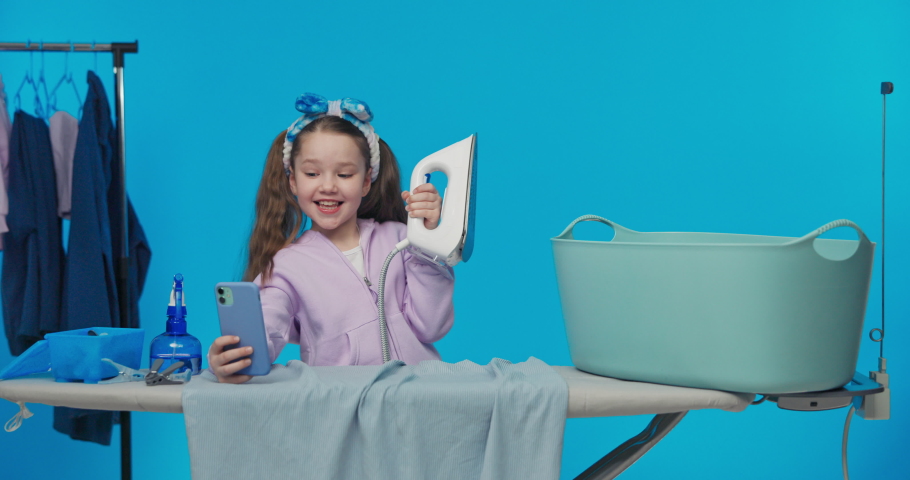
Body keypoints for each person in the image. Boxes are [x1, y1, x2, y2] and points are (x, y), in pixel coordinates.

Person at [208, 93, 455, 383]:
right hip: (343, 404)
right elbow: (269, 321)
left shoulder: (402, 240)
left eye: (345, 174)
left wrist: (427, 239)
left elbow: (432, 326)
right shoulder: (287, 266)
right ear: (293, 181)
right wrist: (237, 356)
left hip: (417, 398)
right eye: (312, 173)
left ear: (366, 181)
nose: (328, 186)